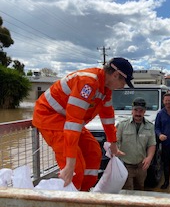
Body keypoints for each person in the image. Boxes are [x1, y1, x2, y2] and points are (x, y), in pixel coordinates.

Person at [32, 57, 134, 191]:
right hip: (50, 117)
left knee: (93, 151)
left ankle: (84, 193)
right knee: (75, 168)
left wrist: (113, 144)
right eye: (124, 82)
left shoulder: (105, 88)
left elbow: (108, 117)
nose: (123, 86)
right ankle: (71, 201)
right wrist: (69, 165)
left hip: (66, 120)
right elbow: (73, 122)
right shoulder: (87, 82)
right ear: (115, 75)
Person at [116, 97, 156, 190]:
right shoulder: (122, 125)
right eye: (136, 110)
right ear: (132, 110)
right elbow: (116, 142)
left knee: (140, 189)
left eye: (141, 111)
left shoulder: (150, 126)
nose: (138, 113)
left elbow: (151, 144)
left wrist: (149, 158)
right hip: (126, 166)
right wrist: (116, 152)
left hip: (141, 166)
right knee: (127, 191)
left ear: (144, 111)